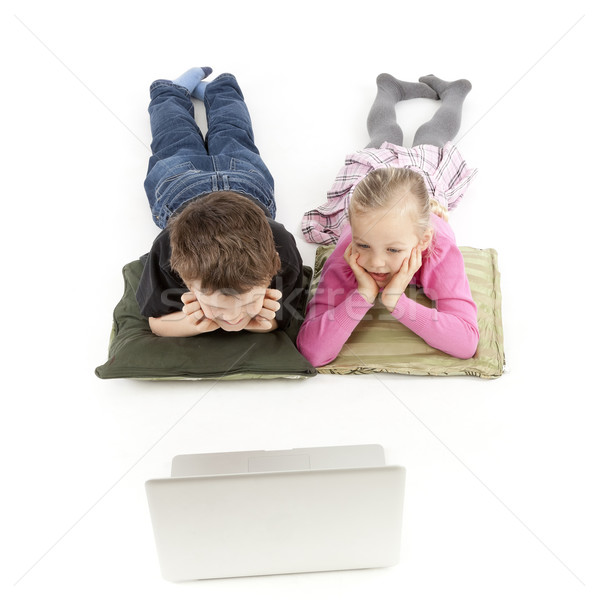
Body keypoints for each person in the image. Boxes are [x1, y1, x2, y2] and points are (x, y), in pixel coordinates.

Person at [297, 74, 479, 366]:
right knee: (384, 133)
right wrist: (364, 295)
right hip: (373, 183)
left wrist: (397, 302)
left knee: (432, 135)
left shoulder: (439, 248)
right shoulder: (348, 253)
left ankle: (455, 92)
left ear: (423, 240)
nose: (375, 263)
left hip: (421, 188)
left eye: (393, 250)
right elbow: (312, 351)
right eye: (364, 245)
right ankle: (388, 88)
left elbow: (466, 342)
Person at [136, 68, 304, 336]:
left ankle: (213, 89)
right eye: (217, 307)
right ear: (186, 282)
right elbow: (156, 323)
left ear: (274, 264)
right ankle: (182, 91)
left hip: (198, 183)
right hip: (224, 182)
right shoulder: (167, 248)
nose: (235, 319)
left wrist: (264, 322)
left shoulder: (281, 244)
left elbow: (283, 318)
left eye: (250, 301)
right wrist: (192, 323)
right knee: (226, 135)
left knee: (192, 137)